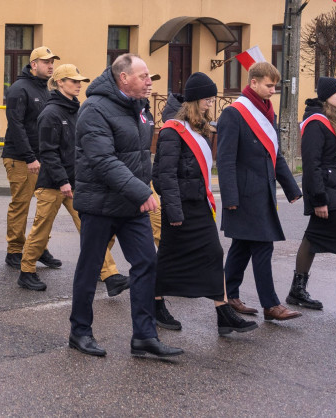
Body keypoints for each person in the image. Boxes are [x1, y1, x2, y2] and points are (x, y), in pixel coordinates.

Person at [69, 53, 182, 359]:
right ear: (124, 78)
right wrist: (141, 191)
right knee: (90, 267)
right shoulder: (94, 109)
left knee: (147, 262)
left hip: (131, 206)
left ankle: (144, 337)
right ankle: (80, 331)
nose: (149, 82)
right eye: (144, 76)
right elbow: (103, 160)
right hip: (100, 203)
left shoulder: (140, 108)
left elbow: (140, 155)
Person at [153, 73, 258, 336]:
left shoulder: (200, 129)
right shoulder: (172, 131)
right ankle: (155, 304)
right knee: (168, 258)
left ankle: (223, 313)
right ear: (193, 101)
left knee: (213, 253)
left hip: (198, 204)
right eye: (207, 99)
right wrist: (174, 211)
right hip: (180, 208)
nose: (211, 103)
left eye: (211, 99)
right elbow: (163, 175)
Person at [18, 64, 129, 295]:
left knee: (93, 229)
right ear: (59, 83)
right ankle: (26, 272)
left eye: (80, 81)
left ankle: (109, 275)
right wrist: (62, 181)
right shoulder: (50, 113)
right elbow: (48, 152)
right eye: (73, 81)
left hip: (76, 182)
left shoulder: (76, 110)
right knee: (41, 229)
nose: (78, 85)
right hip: (53, 184)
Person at [219, 61, 303, 322]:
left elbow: (273, 154)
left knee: (242, 247)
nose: (273, 90)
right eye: (269, 85)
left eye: (275, 86)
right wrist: (230, 197)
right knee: (263, 246)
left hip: (262, 191)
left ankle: (229, 296)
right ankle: (271, 305)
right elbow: (225, 159)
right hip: (244, 195)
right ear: (253, 82)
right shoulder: (235, 113)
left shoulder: (267, 112)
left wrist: (291, 188)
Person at [287, 77, 336, 316]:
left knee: (312, 239)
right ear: (326, 96)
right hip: (325, 191)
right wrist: (319, 200)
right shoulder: (316, 123)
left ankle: (297, 291)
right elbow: (311, 165)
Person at [2, 47, 60, 270]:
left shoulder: (45, 89)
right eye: (46, 62)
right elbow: (16, 126)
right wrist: (29, 157)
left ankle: (38, 247)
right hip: (21, 158)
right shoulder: (19, 89)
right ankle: (14, 250)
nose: (51, 65)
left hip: (42, 157)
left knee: (45, 207)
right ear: (33, 64)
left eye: (52, 61)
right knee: (21, 204)